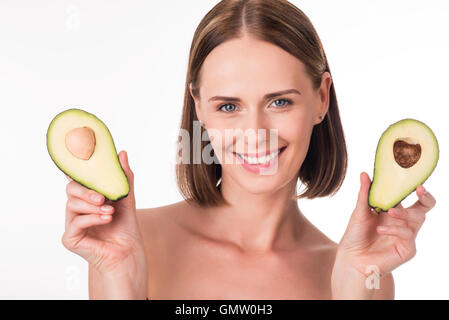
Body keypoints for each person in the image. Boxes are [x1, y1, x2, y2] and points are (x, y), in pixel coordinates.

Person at [61, 0, 436, 299]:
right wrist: (119, 276)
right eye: (228, 106)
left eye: (280, 102)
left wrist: (355, 283)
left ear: (321, 98)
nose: (255, 133)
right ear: (198, 107)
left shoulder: (365, 273)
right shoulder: (132, 242)